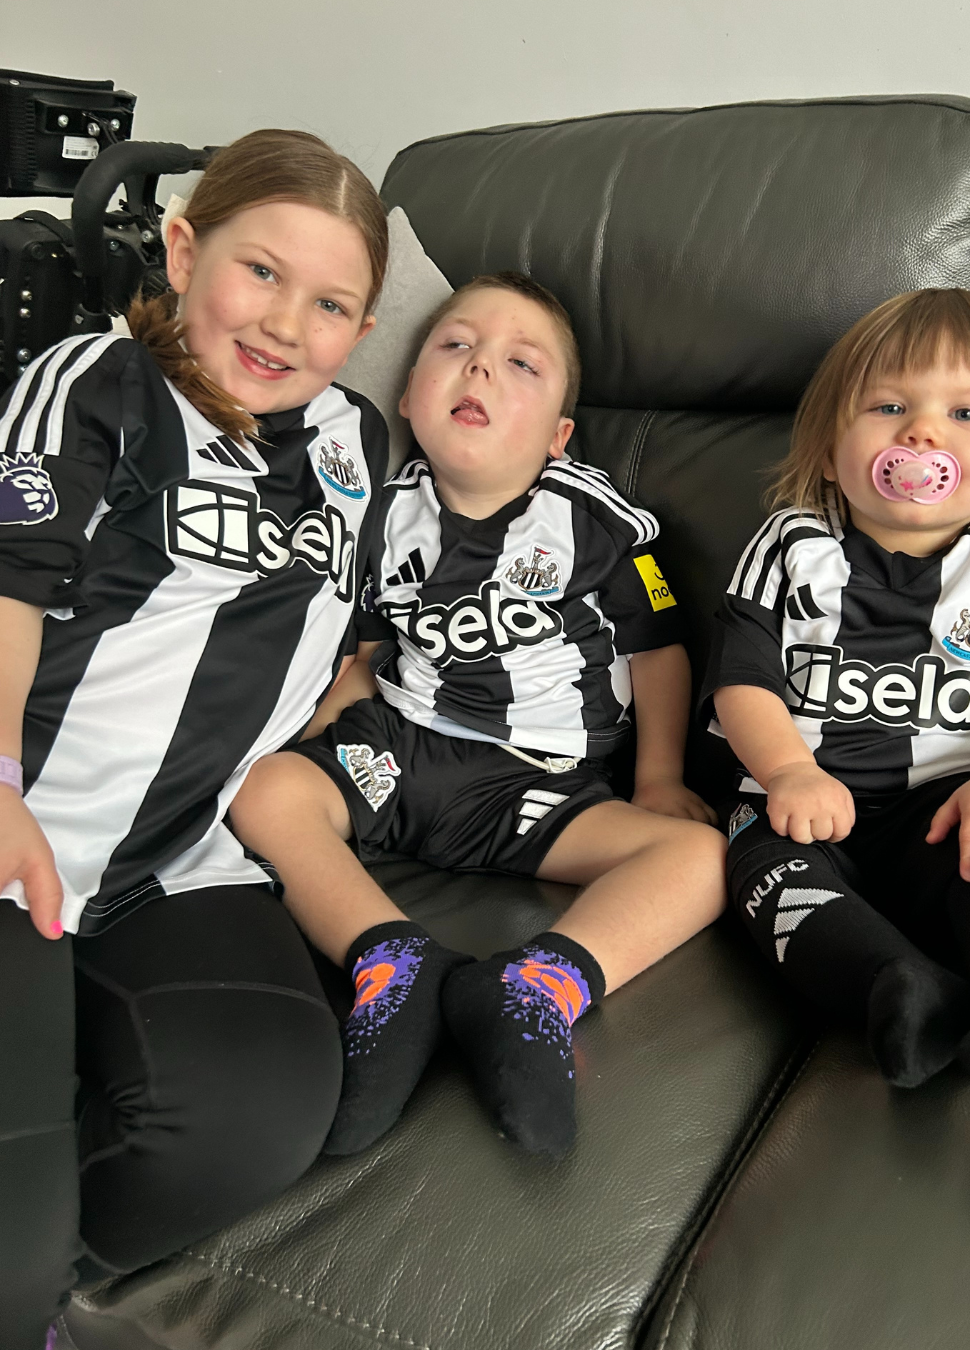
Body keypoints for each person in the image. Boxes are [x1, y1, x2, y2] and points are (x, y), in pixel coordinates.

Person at [0, 128, 389, 1349]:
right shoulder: (96, 384)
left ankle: (54, 1285)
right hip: (21, 832)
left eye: (331, 303)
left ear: (363, 331)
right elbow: (9, 587)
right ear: (181, 247)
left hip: (180, 861)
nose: (284, 324)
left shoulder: (361, 448)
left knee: (259, 1115)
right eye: (259, 272)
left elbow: (366, 629)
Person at [229, 271, 726, 1160]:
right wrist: (316, 736)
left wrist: (658, 777)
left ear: (560, 435)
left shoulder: (598, 521)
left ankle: (536, 988)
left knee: (698, 857)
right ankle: (392, 962)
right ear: (413, 396)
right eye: (455, 348)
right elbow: (363, 653)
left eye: (521, 364)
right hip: (398, 750)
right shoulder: (376, 515)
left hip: (535, 782)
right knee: (261, 787)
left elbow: (659, 649)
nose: (481, 371)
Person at [706, 288, 970, 1103]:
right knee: (762, 876)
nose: (922, 432)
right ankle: (899, 989)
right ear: (834, 442)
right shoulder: (790, 545)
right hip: (795, 799)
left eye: (967, 415)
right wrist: (787, 772)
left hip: (948, 803)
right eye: (889, 405)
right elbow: (744, 682)